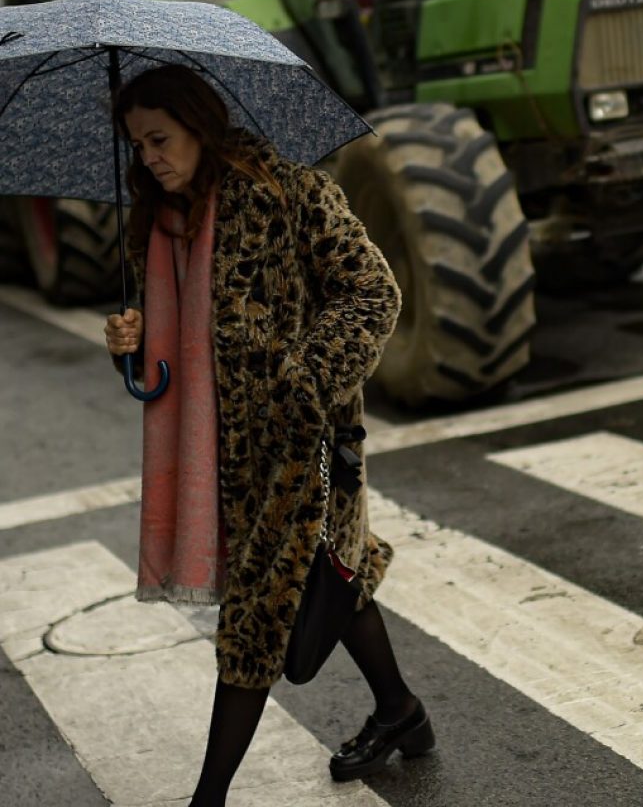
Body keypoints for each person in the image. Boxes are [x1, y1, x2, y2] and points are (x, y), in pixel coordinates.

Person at [103, 64, 433, 805]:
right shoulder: (154, 225)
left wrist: (304, 379)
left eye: (161, 138)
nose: (150, 156)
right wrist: (130, 341)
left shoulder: (290, 193)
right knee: (331, 583)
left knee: (256, 617)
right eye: (138, 143)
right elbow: (170, 357)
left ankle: (207, 799)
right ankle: (401, 711)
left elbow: (375, 292)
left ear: (199, 125)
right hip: (218, 455)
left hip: (305, 450)